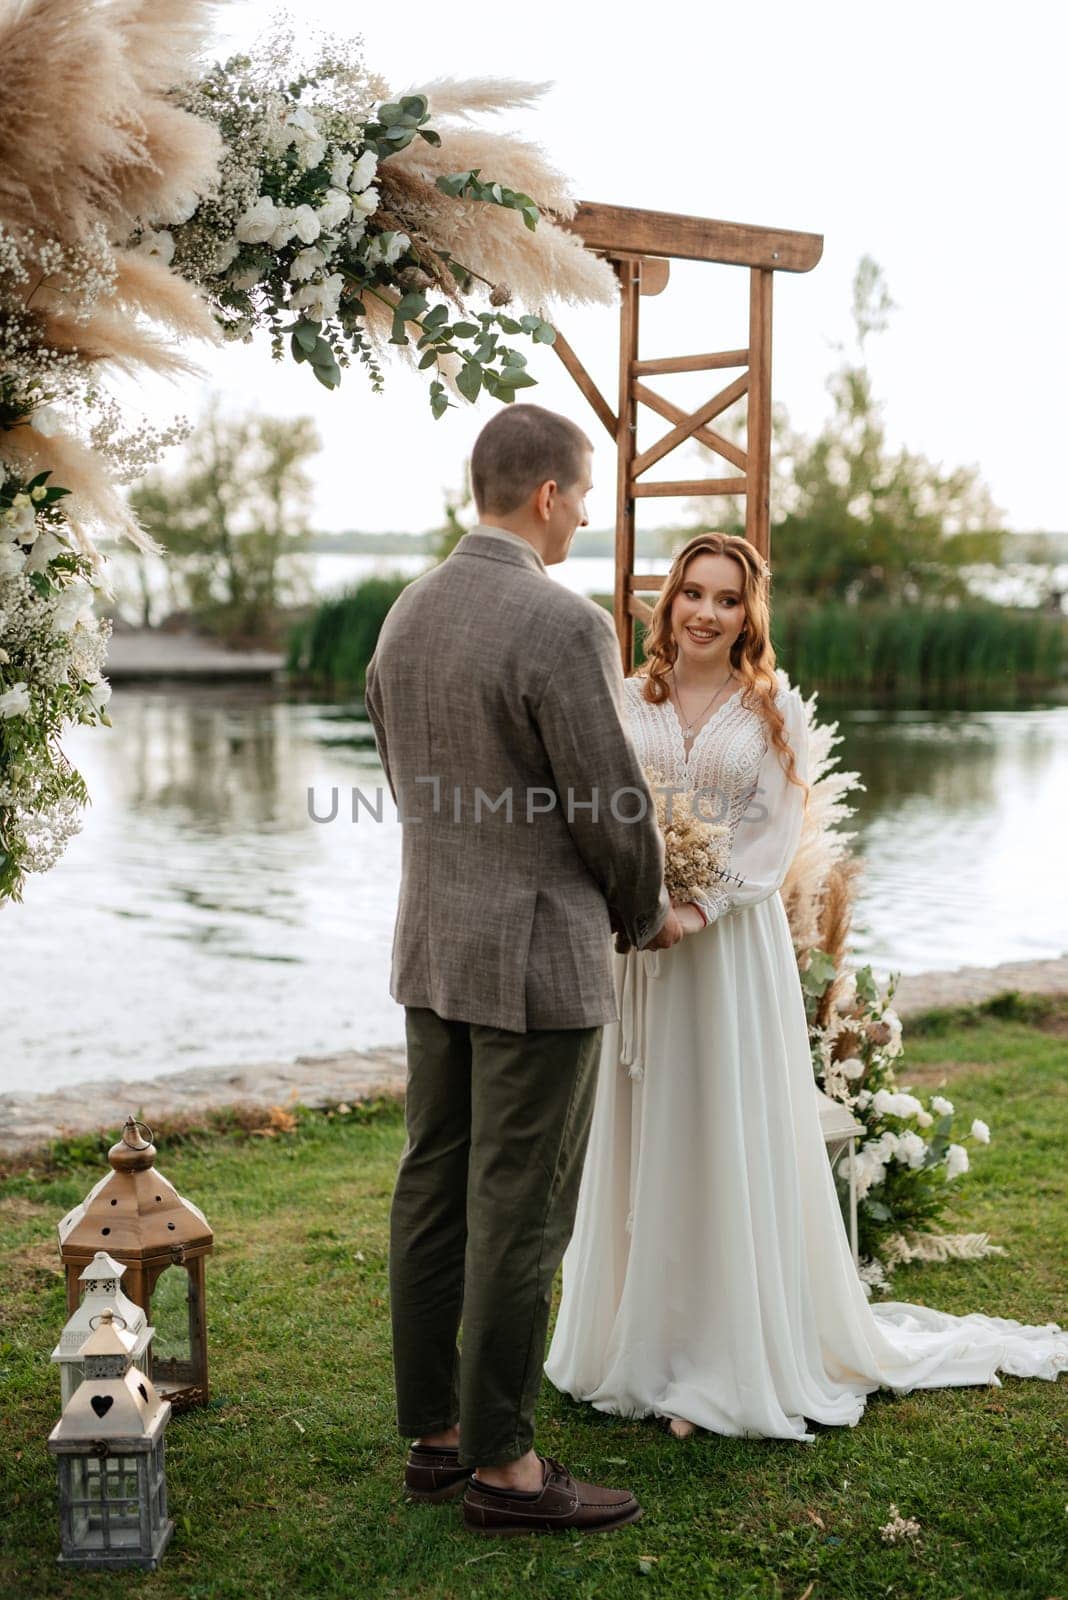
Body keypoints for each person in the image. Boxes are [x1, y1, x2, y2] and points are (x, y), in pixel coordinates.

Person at [546, 531, 1068, 1441]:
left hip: (725, 953)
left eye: (728, 599)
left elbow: (772, 835)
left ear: (751, 615)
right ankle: (641, 1344)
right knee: (645, 1128)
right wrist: (634, 903)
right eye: (693, 595)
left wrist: (697, 910)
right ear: (667, 604)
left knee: (722, 1131)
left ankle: (722, 1357)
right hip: (640, 950)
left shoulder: (770, 705)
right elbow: (599, 810)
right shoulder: (631, 700)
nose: (707, 613)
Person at [364, 403, 683, 1536]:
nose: (587, 513)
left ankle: (439, 1435)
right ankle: (504, 1467)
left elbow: (410, 781)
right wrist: (646, 910)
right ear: (546, 495)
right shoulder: (562, 624)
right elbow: (613, 803)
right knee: (522, 1207)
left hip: (434, 945)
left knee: (432, 1185)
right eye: (584, 493)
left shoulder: (405, 614)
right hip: (541, 958)